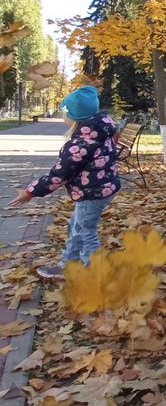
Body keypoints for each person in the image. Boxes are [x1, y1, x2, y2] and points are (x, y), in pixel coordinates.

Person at [10, 86, 121, 280]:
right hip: (103, 188)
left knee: (86, 231)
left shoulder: (80, 144)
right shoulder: (101, 130)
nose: (63, 117)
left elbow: (58, 176)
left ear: (73, 117)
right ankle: (69, 265)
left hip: (92, 193)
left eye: (64, 113)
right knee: (76, 226)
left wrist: (29, 192)